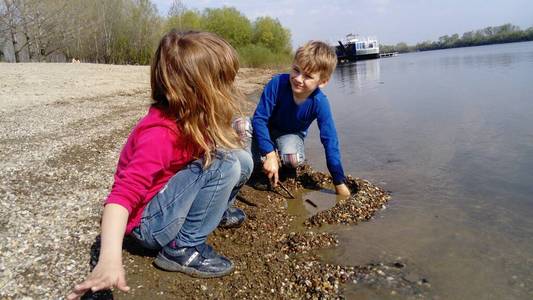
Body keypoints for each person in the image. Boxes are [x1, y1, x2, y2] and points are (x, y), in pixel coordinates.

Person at [67, 31, 253, 299]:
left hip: (167, 201)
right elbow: (120, 197)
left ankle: (215, 210)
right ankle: (182, 249)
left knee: (241, 158)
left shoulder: (190, 116)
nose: (230, 91)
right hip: (148, 225)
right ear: (198, 90)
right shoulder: (159, 134)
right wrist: (108, 260)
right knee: (222, 164)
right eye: (224, 83)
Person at [251, 40, 350, 196]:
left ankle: (282, 166)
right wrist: (269, 154)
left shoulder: (320, 103)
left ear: (323, 82)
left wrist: (338, 180)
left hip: (289, 136)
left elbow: (330, 139)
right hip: (266, 130)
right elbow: (259, 119)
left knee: (292, 158)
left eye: (308, 76)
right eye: (296, 70)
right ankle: (260, 165)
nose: (298, 78)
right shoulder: (277, 83)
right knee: (240, 125)